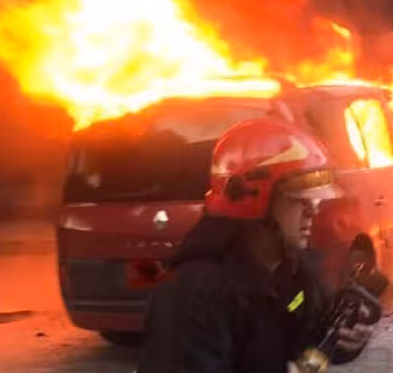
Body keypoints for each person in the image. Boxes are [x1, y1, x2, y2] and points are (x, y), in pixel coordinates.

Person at [136, 117, 374, 373]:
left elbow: (312, 340)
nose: (313, 210)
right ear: (253, 201)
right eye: (298, 198)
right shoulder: (194, 294)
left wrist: (341, 341)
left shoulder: (295, 272)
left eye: (315, 199)